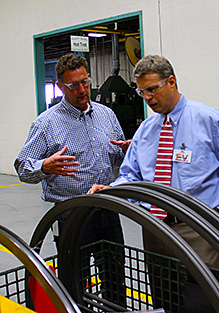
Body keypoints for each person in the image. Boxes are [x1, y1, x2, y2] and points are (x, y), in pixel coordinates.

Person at [89, 55, 219, 310]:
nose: (148, 98)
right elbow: (131, 175)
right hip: (154, 227)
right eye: (142, 92)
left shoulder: (210, 121)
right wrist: (112, 191)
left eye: (152, 89)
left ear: (171, 82)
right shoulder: (146, 130)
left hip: (197, 229)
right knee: (164, 299)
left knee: (202, 301)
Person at [14, 53, 130, 308]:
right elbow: (23, 167)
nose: (82, 89)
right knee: (75, 279)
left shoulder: (106, 115)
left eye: (85, 82)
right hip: (71, 214)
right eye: (74, 85)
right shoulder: (46, 124)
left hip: (108, 209)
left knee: (115, 275)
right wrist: (44, 166)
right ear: (60, 87)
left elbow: (120, 155)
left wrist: (128, 150)